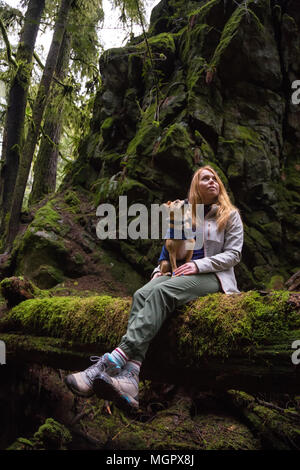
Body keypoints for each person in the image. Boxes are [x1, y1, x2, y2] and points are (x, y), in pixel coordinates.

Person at [64, 165, 244, 413]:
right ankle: (130, 377)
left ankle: (111, 360)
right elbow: (169, 251)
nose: (213, 181)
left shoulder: (230, 215)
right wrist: (157, 274)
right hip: (176, 273)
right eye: (205, 178)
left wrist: (197, 265)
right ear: (195, 186)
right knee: (142, 294)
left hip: (214, 277)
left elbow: (234, 255)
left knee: (163, 292)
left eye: (215, 178)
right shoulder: (185, 213)